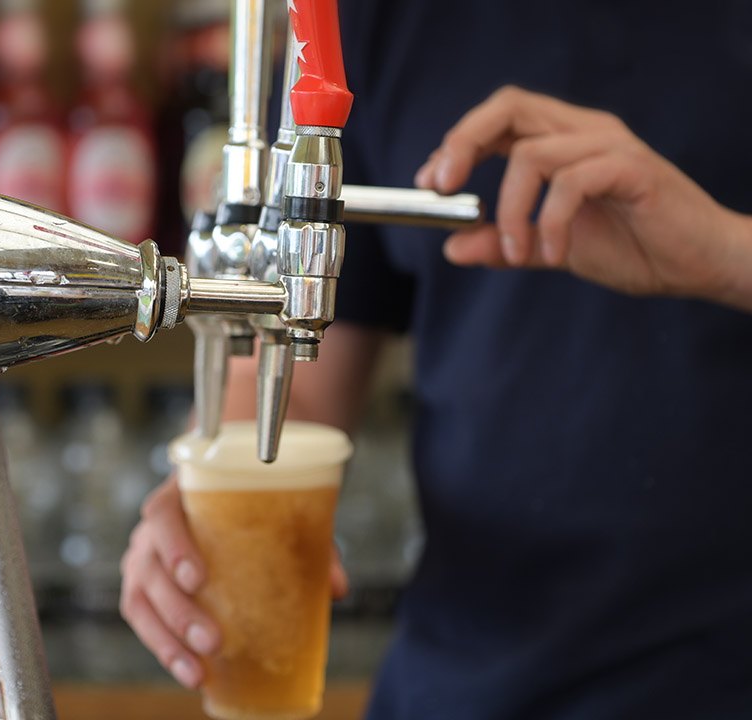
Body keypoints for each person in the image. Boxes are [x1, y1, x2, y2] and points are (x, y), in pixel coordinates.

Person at [121, 2, 752, 718]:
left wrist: (729, 252)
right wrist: (205, 506)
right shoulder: (356, 23)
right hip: (466, 683)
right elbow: (294, 378)